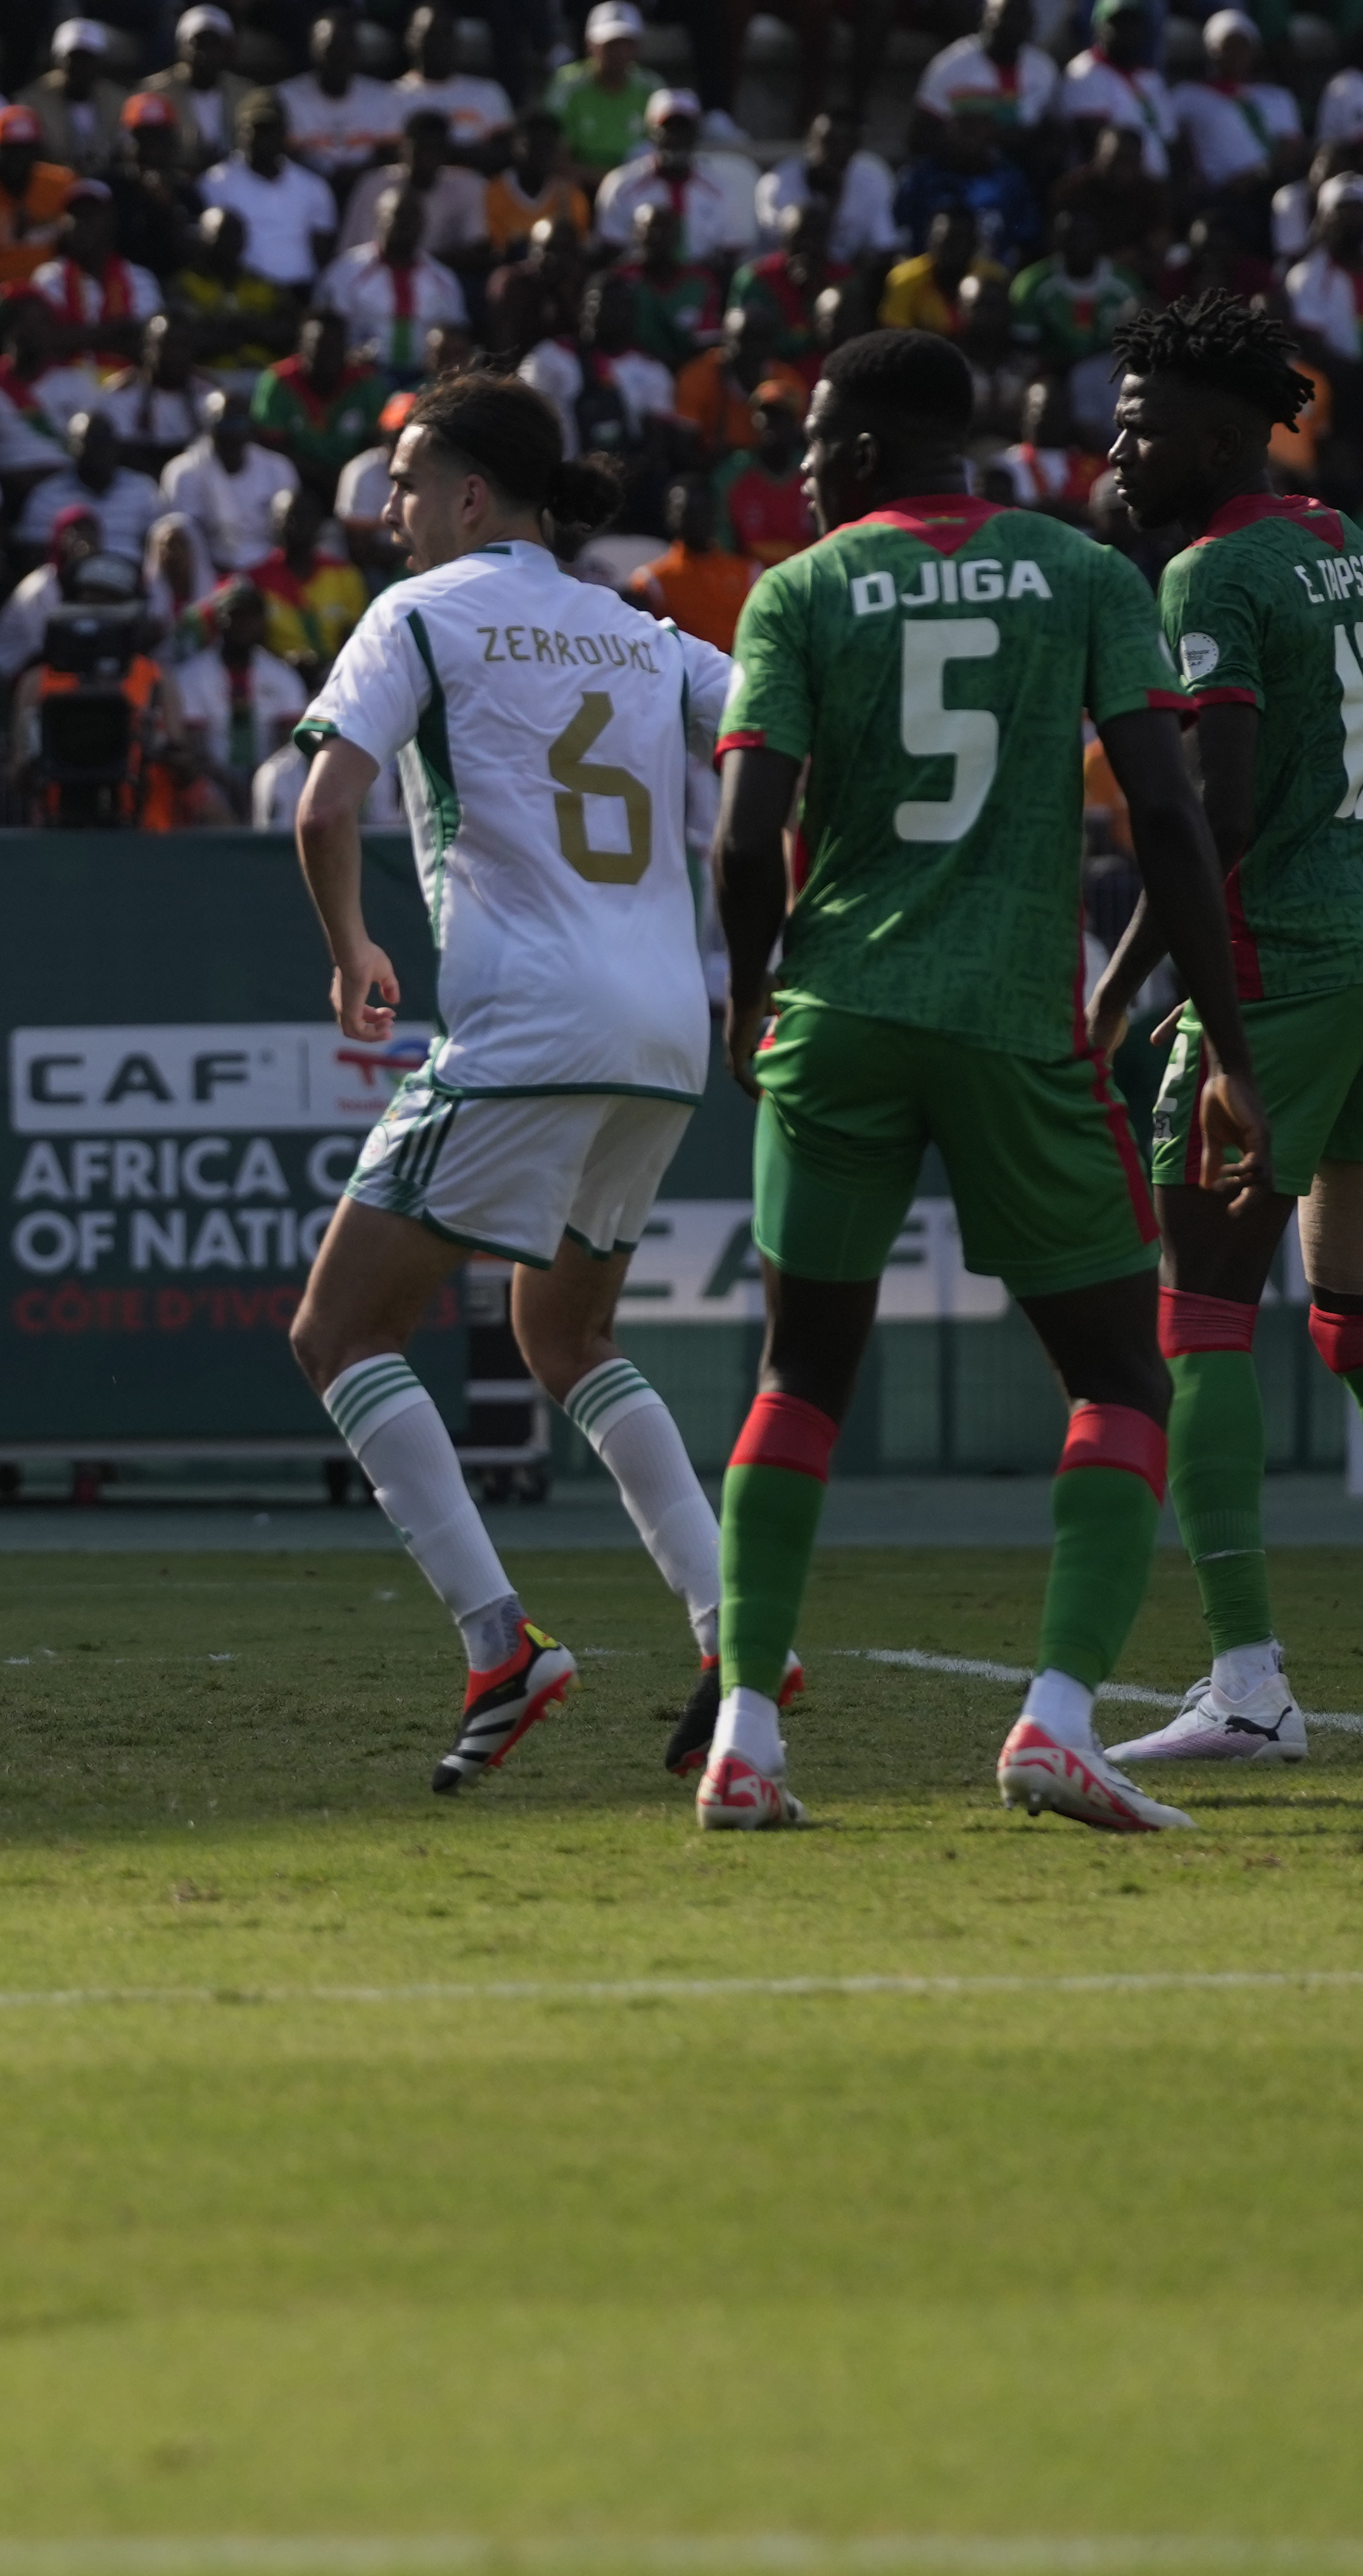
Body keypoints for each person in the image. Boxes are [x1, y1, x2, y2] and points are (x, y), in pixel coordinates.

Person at [699, 329, 1263, 1834]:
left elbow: (746, 838)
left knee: (800, 1375)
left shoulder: (800, 591)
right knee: (1119, 1377)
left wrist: (753, 996)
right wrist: (1229, 1046)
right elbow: (1163, 813)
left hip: (839, 1014)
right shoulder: (1086, 574)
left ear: (869, 456)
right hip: (1017, 1022)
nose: (803, 467)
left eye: (817, 442)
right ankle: (1058, 1717)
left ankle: (746, 1731)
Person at [281, 375, 743, 1793]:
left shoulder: (418, 614)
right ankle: (740, 1623)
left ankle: (501, 1646)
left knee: (337, 1334)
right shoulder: (648, 630)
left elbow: (322, 802)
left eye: (407, 484)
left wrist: (351, 940)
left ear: (472, 493)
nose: (387, 510)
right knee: (568, 1335)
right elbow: (775, 744)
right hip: (666, 1031)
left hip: (529, 1024)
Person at [1088, 295, 1348, 1772]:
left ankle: (1247, 1680)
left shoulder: (1209, 572)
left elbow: (1216, 814)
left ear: (1214, 431)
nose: (1117, 447)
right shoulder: (1345, 547)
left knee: (1195, 1318)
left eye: (1136, 420)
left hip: (1285, 971)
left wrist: (1121, 984)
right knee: (1350, 1316)